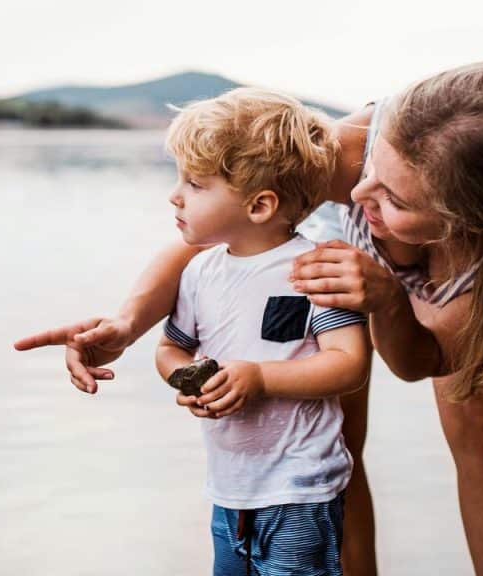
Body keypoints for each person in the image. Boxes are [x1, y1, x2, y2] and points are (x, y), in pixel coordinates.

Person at [14, 60, 483, 576]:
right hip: (354, 245)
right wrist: (126, 323)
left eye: (393, 199)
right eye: (372, 169)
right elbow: (215, 241)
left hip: (475, 276)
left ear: (459, 222)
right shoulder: (364, 155)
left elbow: (425, 361)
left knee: (481, 426)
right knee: (331, 438)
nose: (357, 193)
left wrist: (388, 300)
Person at [155, 88, 369, 575]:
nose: (175, 194)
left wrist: (260, 377)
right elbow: (171, 348)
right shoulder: (199, 272)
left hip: (300, 488)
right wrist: (183, 378)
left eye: (195, 184)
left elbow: (348, 363)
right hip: (230, 488)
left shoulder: (317, 268)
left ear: (259, 205)